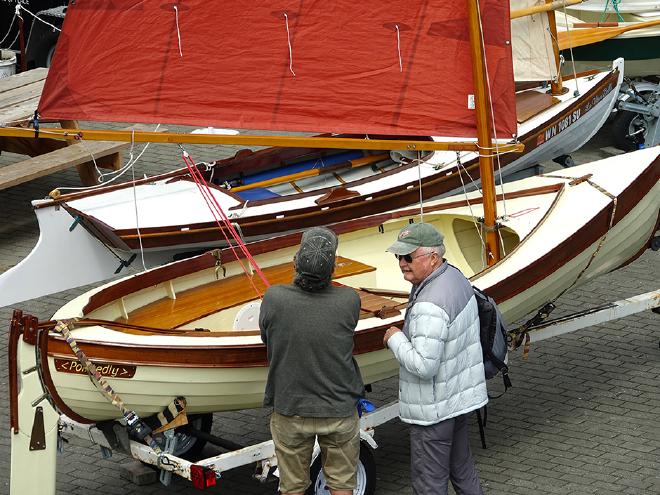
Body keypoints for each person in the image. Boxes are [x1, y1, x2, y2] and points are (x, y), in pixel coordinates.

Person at [382, 222, 488, 495]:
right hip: (455, 400)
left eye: (408, 257)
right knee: (463, 473)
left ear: (433, 258)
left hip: (433, 411)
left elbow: (423, 365)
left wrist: (394, 338)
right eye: (399, 257)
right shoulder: (454, 277)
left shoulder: (430, 303)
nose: (402, 264)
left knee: (429, 485)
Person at [259, 226, 365, 495]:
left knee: (292, 487)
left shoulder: (274, 298)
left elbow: (266, 337)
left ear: (296, 262)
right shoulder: (349, 300)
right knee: (342, 484)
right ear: (333, 268)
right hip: (339, 409)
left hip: (290, 409)